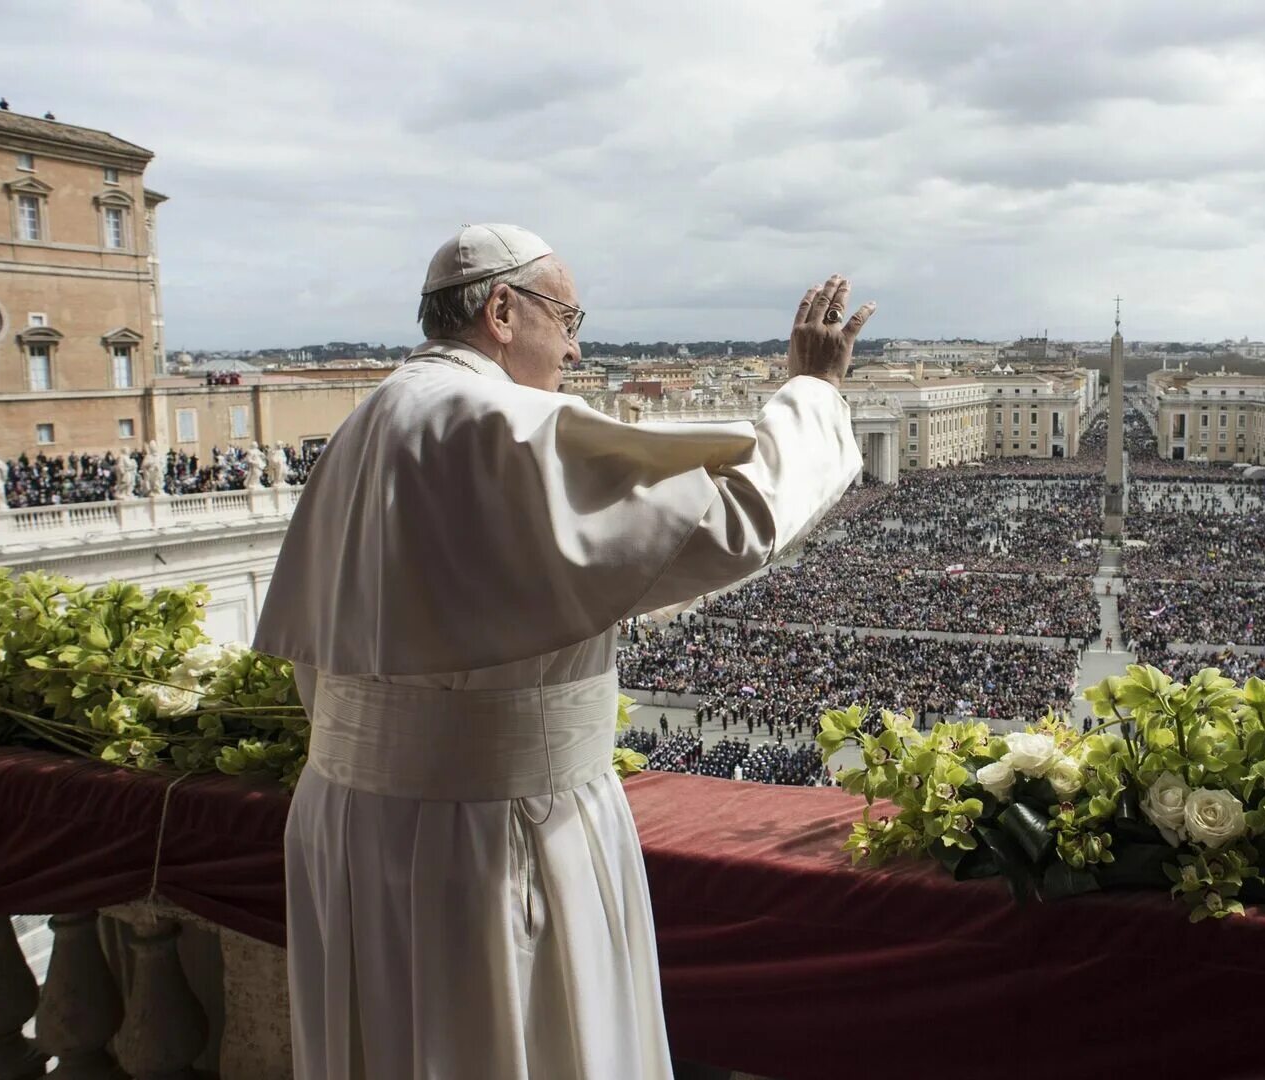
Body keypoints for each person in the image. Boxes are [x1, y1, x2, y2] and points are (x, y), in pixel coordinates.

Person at [254, 224, 872, 1079]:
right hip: (494, 829)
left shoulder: (368, 423)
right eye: (569, 317)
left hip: (348, 821)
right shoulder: (497, 424)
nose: (577, 349)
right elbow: (734, 521)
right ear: (503, 310)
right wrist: (811, 389)